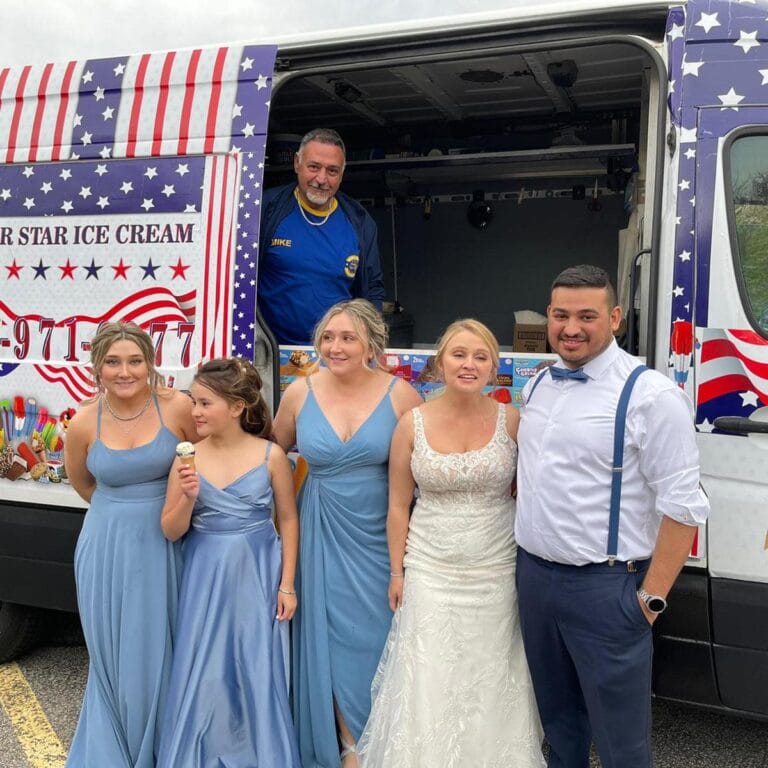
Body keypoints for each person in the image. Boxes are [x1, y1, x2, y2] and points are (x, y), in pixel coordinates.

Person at [515, 265, 710, 768]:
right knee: (559, 731)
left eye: (587, 315)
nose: (570, 327)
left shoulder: (652, 396)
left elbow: (684, 507)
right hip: (534, 580)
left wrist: (651, 600)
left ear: (616, 317)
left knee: (622, 745)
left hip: (607, 590)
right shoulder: (538, 385)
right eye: (560, 314)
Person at [357, 319, 545, 768]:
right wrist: (398, 572)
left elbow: (533, 495)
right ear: (439, 362)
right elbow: (399, 506)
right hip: (430, 569)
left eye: (481, 357)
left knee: (493, 678)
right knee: (429, 677)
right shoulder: (411, 424)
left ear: (494, 368)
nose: (469, 364)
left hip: (496, 570)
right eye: (459, 354)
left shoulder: (512, 421)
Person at [273, 298, 421, 768]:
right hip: (318, 526)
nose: (335, 348)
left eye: (347, 338)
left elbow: (425, 471)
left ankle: (385, 738)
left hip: (379, 533)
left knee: (378, 637)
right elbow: (270, 457)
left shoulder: (402, 397)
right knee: (328, 639)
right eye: (328, 337)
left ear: (371, 345)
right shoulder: (298, 393)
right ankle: (349, 745)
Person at [63, 321, 197, 768]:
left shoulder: (177, 407)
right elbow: (84, 484)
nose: (125, 372)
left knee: (162, 650)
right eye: (113, 362)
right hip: (105, 549)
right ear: (97, 368)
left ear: (150, 362)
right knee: (115, 658)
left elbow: (209, 460)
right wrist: (121, 513)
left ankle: (164, 750)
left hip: (166, 544)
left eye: (135, 361)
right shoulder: (83, 423)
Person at [157, 357, 301, 768]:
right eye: (193, 402)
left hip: (258, 572)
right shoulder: (187, 458)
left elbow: (288, 520)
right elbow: (170, 530)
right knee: (205, 668)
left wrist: (287, 584)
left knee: (257, 664)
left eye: (204, 404)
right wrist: (186, 496)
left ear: (237, 407)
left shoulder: (270, 456)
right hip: (205, 573)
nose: (195, 412)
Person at [258, 127, 385, 345]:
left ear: (342, 174)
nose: (322, 179)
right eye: (314, 167)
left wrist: (371, 343)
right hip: (271, 354)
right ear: (297, 162)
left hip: (334, 355)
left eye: (332, 171)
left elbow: (373, 289)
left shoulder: (360, 221)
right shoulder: (264, 210)